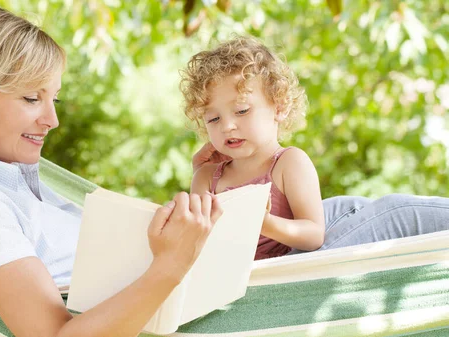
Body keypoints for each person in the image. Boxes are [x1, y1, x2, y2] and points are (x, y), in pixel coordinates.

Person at [0, 8, 223, 337]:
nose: (52, 120)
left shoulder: (14, 177)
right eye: (32, 98)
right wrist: (171, 266)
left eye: (55, 100)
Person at [182, 36, 449, 259]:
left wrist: (263, 223)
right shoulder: (207, 177)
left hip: (294, 256)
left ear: (279, 107)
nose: (227, 125)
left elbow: (312, 235)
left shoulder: (289, 163)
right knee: (379, 208)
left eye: (241, 110)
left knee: (354, 206)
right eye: (213, 118)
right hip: (261, 279)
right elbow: (197, 248)